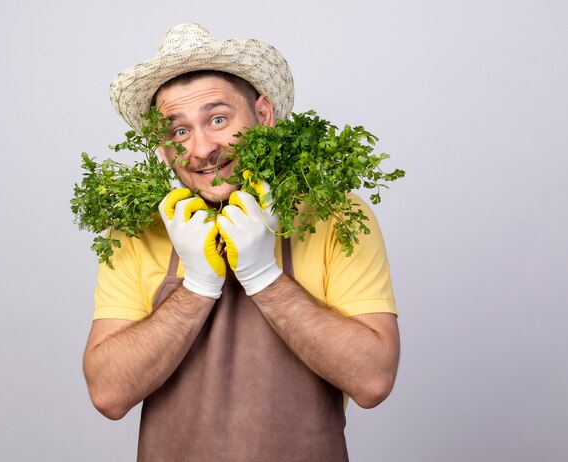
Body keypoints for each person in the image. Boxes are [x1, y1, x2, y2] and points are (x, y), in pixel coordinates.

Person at [83, 23, 400, 462]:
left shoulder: (336, 216)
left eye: (218, 119)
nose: (201, 149)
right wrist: (197, 285)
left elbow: (373, 380)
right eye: (178, 131)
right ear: (162, 147)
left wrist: (262, 275)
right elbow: (108, 393)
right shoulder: (135, 231)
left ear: (263, 115)